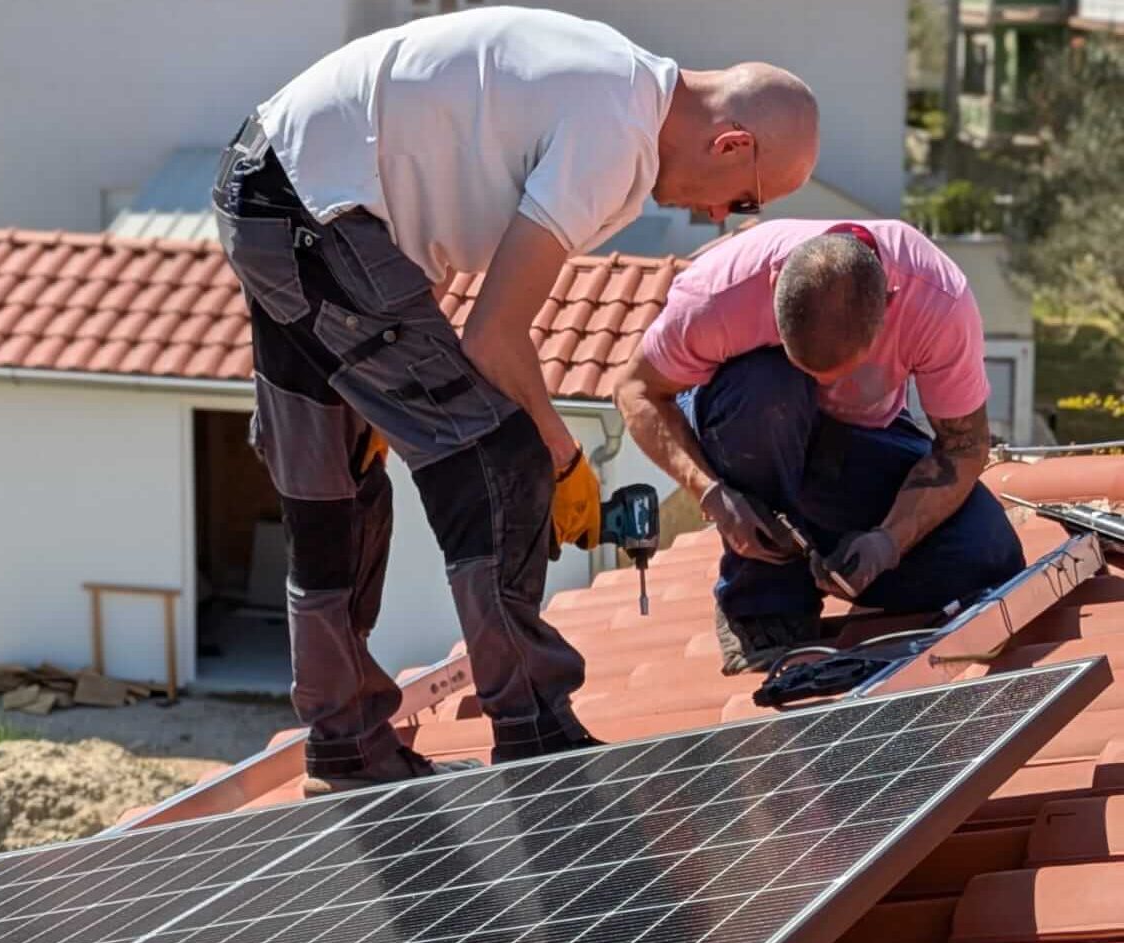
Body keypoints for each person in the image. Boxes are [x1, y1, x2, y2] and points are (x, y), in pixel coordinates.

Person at [213, 5, 820, 793]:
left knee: (331, 482)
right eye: (741, 201)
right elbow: (493, 337)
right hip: (313, 214)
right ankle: (536, 731)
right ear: (731, 144)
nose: (717, 218)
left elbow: (426, 231)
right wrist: (561, 457)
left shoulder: (616, 85)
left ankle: (345, 744)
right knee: (499, 459)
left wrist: (392, 380)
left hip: (274, 190)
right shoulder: (616, 133)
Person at [615, 219, 1025, 673]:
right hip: (750, 429)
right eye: (806, 366)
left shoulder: (936, 300)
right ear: (774, 286)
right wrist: (710, 492)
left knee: (989, 556)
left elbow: (964, 446)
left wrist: (889, 540)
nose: (825, 386)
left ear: (889, 304)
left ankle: (831, 563)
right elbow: (636, 390)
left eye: (841, 371)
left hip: (857, 438)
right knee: (768, 389)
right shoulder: (717, 295)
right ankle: (764, 606)